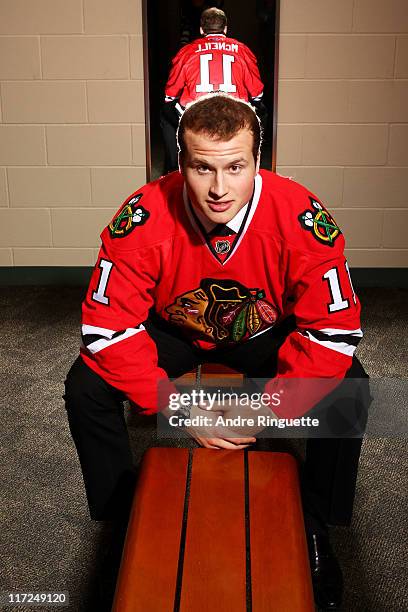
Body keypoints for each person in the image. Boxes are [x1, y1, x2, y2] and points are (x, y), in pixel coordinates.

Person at [64, 94, 371, 610]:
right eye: (202, 167)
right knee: (85, 386)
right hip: (175, 329)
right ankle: (120, 516)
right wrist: (178, 408)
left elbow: (334, 330)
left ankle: (319, 519)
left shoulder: (298, 215)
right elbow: (106, 327)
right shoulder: (143, 215)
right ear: (181, 163)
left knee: (353, 386)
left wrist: (275, 407)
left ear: (258, 162)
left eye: (235, 166)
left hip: (264, 330)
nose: (219, 188)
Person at [161, 7, 265, 172]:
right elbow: (257, 93)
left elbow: (170, 94)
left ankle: (173, 170)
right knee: (260, 111)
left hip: (196, 116)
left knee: (165, 115)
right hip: (234, 116)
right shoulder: (243, 50)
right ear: (225, 29)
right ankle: (253, 164)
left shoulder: (186, 51)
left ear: (201, 29)